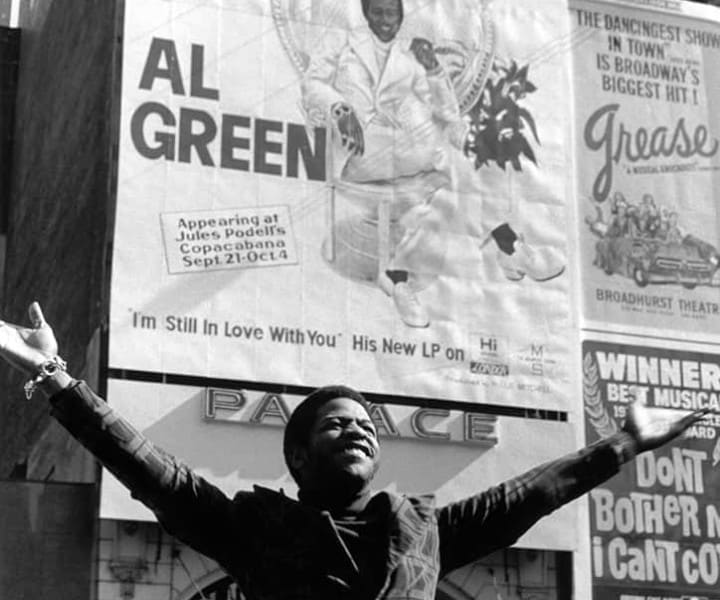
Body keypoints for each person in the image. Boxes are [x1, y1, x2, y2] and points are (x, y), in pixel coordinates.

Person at [0, 302, 708, 599]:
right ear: (299, 459)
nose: (358, 428)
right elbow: (156, 475)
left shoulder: (426, 532)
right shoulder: (255, 530)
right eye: (336, 424)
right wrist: (59, 379)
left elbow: (531, 494)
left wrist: (624, 442)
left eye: (366, 423)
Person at [302, 0, 564, 328]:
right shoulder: (341, 41)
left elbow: (447, 113)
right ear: (366, 13)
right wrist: (339, 108)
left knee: (451, 179)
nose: (386, 20)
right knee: (453, 165)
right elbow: (312, 85)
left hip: (407, 151)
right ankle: (508, 246)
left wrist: (434, 70)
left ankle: (398, 279)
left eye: (392, 13)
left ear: (401, 15)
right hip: (358, 151)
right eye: (378, 12)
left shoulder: (408, 54)